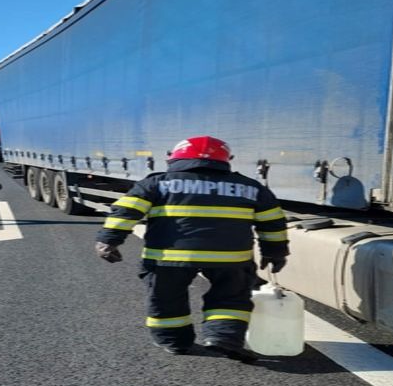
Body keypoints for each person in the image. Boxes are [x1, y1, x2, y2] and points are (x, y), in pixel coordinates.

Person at [94, 135, 288, 360]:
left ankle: (175, 342)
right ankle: (222, 337)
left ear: (173, 158)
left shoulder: (157, 183)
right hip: (231, 259)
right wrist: (275, 252)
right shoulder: (250, 187)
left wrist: (108, 240)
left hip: (168, 258)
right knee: (231, 297)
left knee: (166, 298)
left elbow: (126, 212)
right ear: (227, 159)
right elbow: (273, 221)